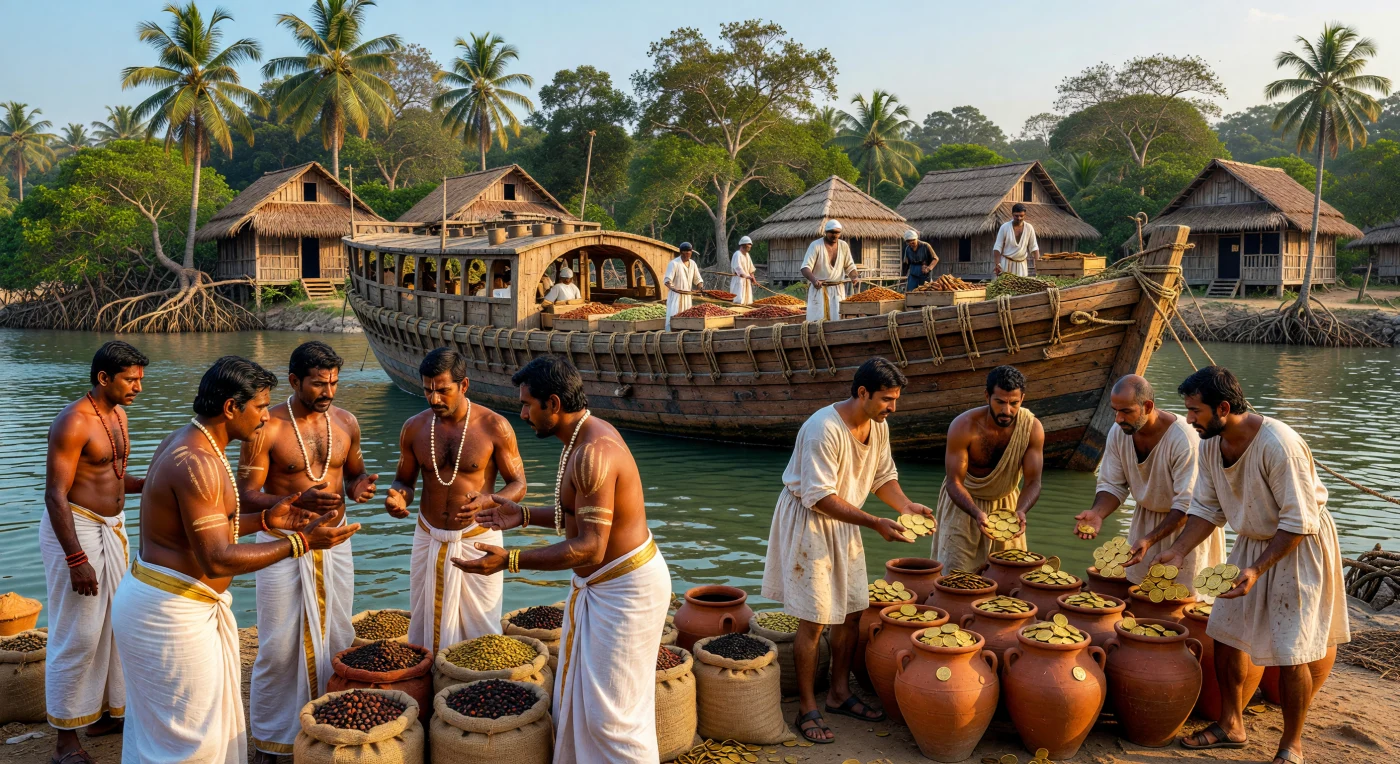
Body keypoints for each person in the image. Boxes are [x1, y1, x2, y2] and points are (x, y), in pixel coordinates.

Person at [111, 356, 359, 764]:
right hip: (169, 612)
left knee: (175, 735)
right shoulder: (199, 462)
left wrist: (264, 518)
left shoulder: (192, 441)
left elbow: (202, 531)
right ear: (231, 408)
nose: (265, 417)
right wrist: (302, 543)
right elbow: (217, 558)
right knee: (194, 743)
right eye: (260, 407)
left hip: (170, 603)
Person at [457, 355, 671, 763]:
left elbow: (591, 546)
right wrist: (521, 514)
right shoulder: (579, 440)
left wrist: (511, 560)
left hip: (625, 591)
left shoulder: (594, 453)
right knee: (589, 704)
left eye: (526, 405)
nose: (521, 415)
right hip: (603, 589)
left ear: (553, 404)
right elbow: (577, 514)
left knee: (614, 718)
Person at [1151, 367, 1348, 764]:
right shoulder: (1210, 444)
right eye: (1187, 411)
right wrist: (1177, 550)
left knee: (1290, 649)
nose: (1189, 419)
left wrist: (1255, 570)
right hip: (1251, 542)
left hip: (1299, 545)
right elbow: (1208, 509)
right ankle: (1231, 723)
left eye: (1195, 411)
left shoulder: (1279, 445)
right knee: (1225, 631)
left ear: (1223, 407)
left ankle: (1292, 745)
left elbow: (1297, 521)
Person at [761, 358, 935, 743]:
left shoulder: (879, 425)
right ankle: (807, 706)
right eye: (887, 399)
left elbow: (882, 476)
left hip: (847, 521)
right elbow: (819, 495)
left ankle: (839, 693)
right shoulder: (823, 428)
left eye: (895, 399)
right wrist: (875, 523)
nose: (893, 407)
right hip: (810, 520)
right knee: (814, 618)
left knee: (853, 612)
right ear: (862, 393)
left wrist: (904, 507)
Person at [236, 342, 378, 762]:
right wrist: (297, 503)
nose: (328, 391)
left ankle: (328, 723)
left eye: (334, 381)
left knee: (338, 634)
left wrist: (361, 487)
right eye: (318, 383)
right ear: (295, 380)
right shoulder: (268, 426)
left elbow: (353, 475)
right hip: (283, 545)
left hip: (334, 543)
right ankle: (270, 740)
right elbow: (246, 496)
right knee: (278, 645)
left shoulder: (347, 422)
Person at [41, 341, 147, 763]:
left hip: (112, 530)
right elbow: (56, 495)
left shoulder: (118, 415)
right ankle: (65, 740)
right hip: (77, 531)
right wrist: (75, 559)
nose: (138, 388)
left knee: (118, 623)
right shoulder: (73, 421)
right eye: (130, 379)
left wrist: (158, 479)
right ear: (104, 378)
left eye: (140, 379)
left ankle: (107, 713)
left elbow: (115, 479)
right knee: (79, 633)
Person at [385, 347, 528, 652]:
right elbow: (404, 481)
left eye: (443, 390)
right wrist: (399, 498)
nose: (433, 399)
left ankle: (474, 690)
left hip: (477, 539)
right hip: (428, 538)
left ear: (463, 386)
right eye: (427, 390)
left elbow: (518, 484)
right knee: (423, 626)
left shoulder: (494, 426)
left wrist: (489, 500)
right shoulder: (414, 427)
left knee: (482, 629)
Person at [1074, 374, 1225, 592]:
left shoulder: (1183, 439)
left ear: (1147, 406)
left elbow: (1188, 504)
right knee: (1140, 594)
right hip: (1144, 525)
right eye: (1115, 411)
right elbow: (1112, 485)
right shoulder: (1119, 432)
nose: (1118, 419)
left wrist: (1150, 539)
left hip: (1188, 529)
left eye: (1126, 411)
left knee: (1181, 601)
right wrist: (1097, 513)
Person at [931, 365, 1044, 572]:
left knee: (1009, 575)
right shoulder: (964, 426)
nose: (1006, 411)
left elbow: (1033, 482)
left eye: (1014, 403)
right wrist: (976, 512)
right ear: (987, 396)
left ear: (1022, 399)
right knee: (955, 576)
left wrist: (1020, 511)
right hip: (963, 504)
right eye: (1000, 402)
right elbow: (953, 482)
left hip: (1007, 505)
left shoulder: (1032, 428)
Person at [800, 219, 860, 322]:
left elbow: (850, 267)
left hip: (837, 291)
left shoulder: (843, 246)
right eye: (832, 232)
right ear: (826, 232)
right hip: (819, 290)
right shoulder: (816, 245)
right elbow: (805, 268)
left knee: (838, 320)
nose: (834, 235)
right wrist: (814, 280)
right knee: (817, 322)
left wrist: (854, 277)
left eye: (837, 233)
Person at [992, 203, 1039, 277]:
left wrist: (1038, 265)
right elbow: (997, 247)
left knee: (1021, 287)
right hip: (1006, 264)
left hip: (1022, 265)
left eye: (1021, 216)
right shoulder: (1005, 227)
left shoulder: (1029, 228)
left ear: (1025, 215)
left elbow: (1034, 248)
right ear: (1012, 214)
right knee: (1005, 287)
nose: (1019, 218)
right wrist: (997, 264)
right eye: (1016, 216)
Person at [663, 242, 703, 330]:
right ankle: (671, 336)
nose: (687, 256)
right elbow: (667, 281)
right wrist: (675, 289)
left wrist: (700, 288)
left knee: (687, 318)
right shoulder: (674, 264)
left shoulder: (693, 264)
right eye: (685, 254)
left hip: (688, 296)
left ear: (691, 253)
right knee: (674, 318)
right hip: (676, 297)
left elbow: (698, 279)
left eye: (689, 254)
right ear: (681, 253)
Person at [729, 235, 758, 305]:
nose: (750, 247)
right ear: (744, 246)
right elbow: (738, 269)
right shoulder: (737, 254)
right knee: (738, 298)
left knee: (747, 300)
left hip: (747, 281)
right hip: (739, 280)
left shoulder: (747, 255)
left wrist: (753, 278)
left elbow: (751, 269)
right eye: (748, 245)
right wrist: (746, 276)